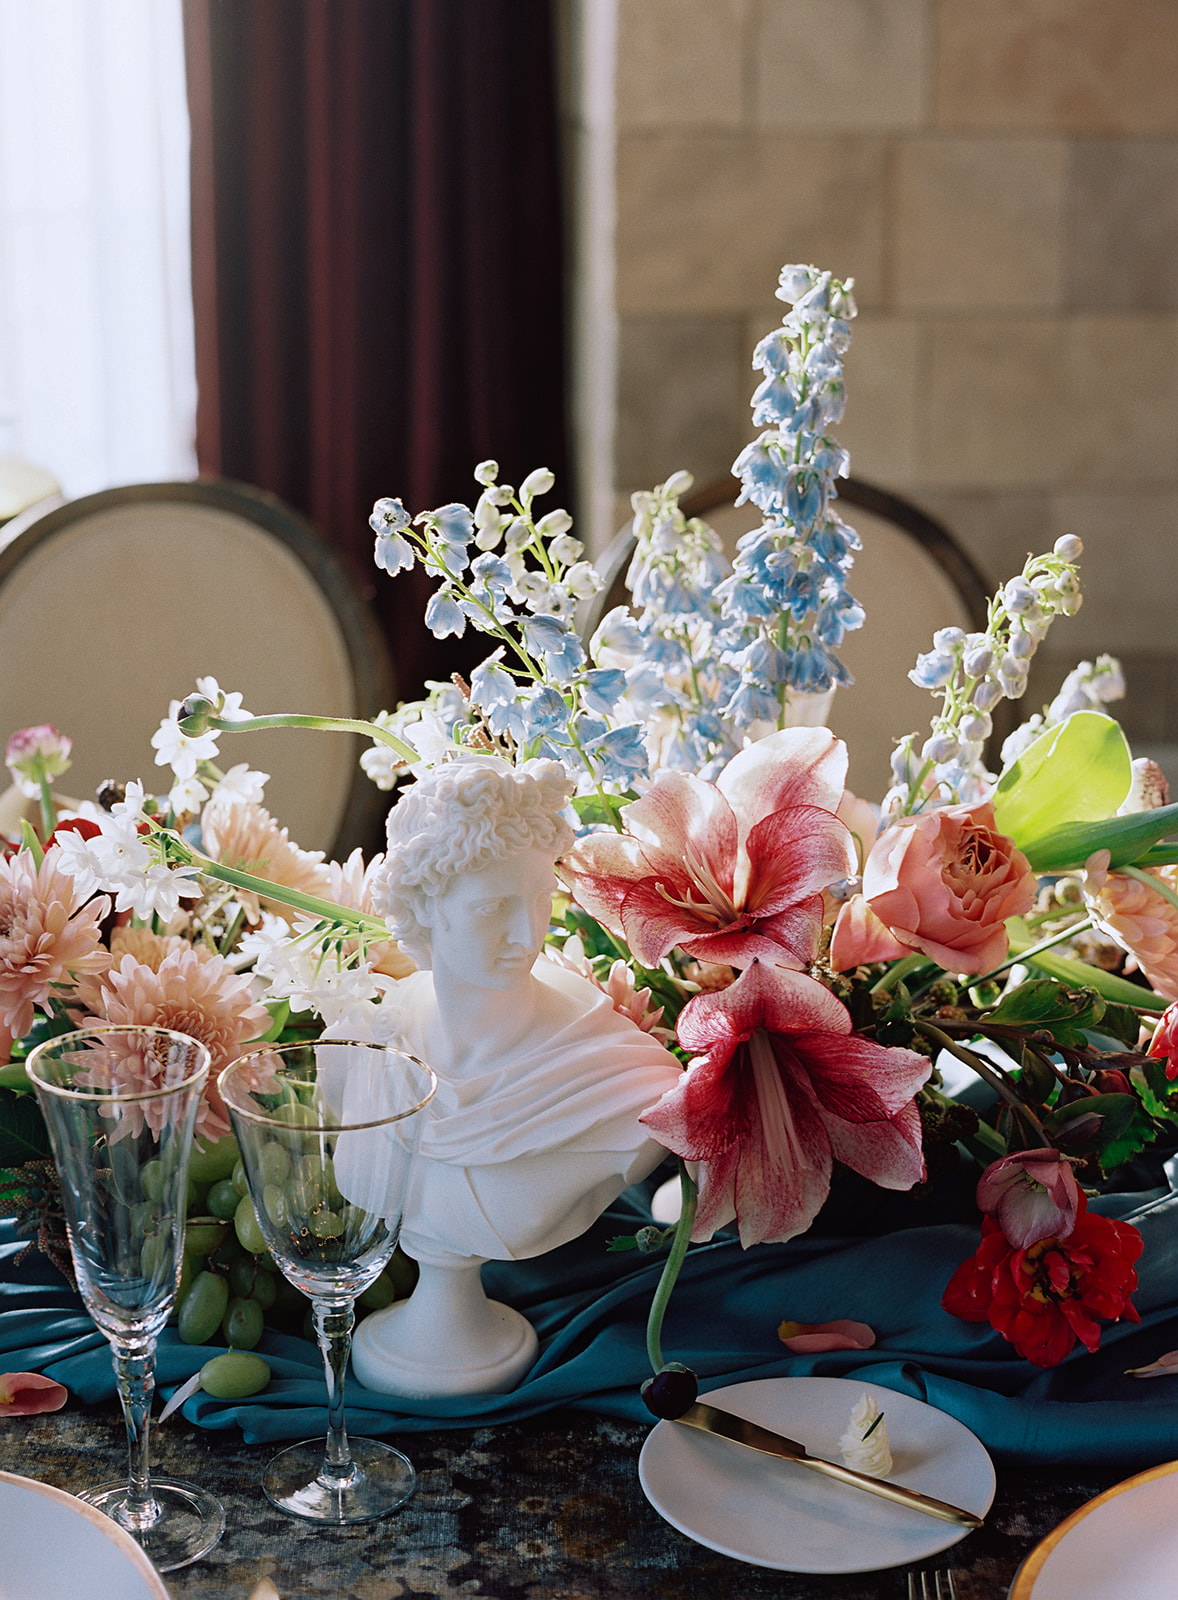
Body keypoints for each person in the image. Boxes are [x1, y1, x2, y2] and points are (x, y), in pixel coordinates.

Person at [347, 753, 682, 1397]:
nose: (527, 934)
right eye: (491, 908)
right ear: (427, 907)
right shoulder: (361, 1046)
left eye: (540, 900)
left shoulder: (621, 1081)